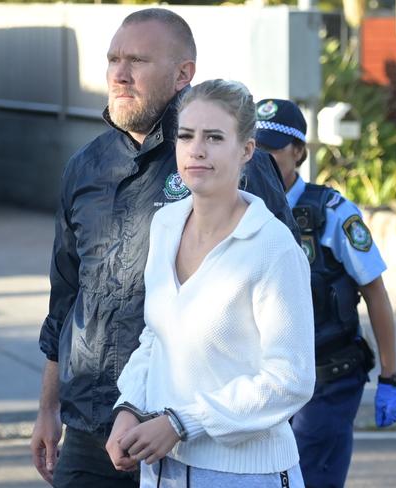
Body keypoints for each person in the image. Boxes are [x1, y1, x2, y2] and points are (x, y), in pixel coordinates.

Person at [30, 9, 298, 488]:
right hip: (97, 431)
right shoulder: (84, 168)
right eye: (113, 59)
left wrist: (202, 420)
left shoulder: (225, 166)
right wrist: (49, 408)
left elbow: (284, 308)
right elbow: (66, 297)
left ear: (183, 75)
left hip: (196, 437)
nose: (120, 73)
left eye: (137, 60)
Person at [106, 79, 315, 488]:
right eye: (186, 136)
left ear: (247, 151)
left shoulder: (273, 247)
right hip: (161, 470)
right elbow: (156, 337)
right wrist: (128, 408)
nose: (196, 149)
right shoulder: (166, 225)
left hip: (246, 475)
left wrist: (183, 422)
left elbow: (291, 379)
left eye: (215, 138)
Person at [254, 98, 396, 488]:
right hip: (262, 379)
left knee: (312, 477)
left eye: (273, 149)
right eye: (254, 148)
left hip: (328, 378)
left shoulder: (332, 212)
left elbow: (374, 290)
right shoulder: (240, 207)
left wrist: (391, 376)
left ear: (299, 152)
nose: (262, 159)